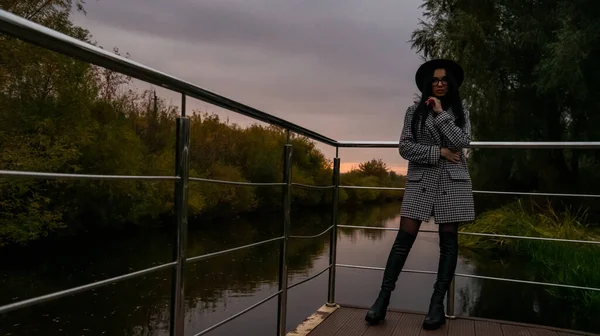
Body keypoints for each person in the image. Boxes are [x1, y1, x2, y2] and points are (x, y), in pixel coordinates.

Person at [364, 59, 475, 330]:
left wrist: (440, 114)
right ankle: (382, 299)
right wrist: (439, 152)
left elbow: (462, 142)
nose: (439, 84)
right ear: (428, 83)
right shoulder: (412, 112)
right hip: (420, 181)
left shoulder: (461, 112)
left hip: (452, 183)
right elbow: (405, 148)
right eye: (435, 80)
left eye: (444, 80)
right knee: (403, 240)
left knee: (448, 243)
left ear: (451, 84)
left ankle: (436, 305)